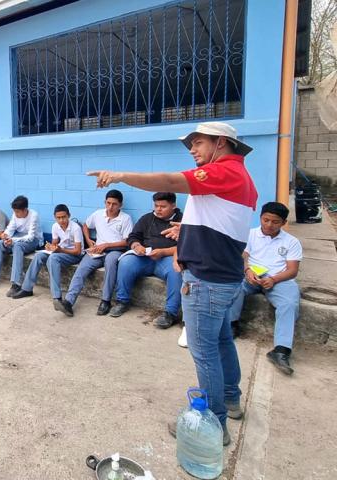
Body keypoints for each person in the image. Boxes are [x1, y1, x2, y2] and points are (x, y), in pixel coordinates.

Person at [87, 121, 258, 445]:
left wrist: (120, 175)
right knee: (221, 341)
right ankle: (231, 399)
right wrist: (188, 231)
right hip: (222, 276)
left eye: (198, 142)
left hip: (206, 279)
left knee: (204, 351)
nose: (192, 149)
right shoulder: (242, 178)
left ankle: (213, 427)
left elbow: (171, 180)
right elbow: (223, 223)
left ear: (221, 143)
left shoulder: (224, 171)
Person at [229, 202, 302, 375]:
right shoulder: (249, 234)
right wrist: (247, 270)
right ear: (260, 218)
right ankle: (232, 325)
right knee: (232, 287)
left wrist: (274, 279)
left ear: (283, 223)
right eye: (265, 220)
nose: (269, 225)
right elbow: (243, 256)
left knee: (289, 304)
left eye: (275, 222)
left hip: (279, 279)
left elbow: (292, 270)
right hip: (251, 276)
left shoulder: (291, 242)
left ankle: (281, 351)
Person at [110, 192, 183, 329]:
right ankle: (122, 301)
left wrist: (163, 252)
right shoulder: (147, 219)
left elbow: (185, 246)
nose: (158, 209)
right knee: (126, 263)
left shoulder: (182, 221)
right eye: (156, 206)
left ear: (173, 206)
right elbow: (133, 236)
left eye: (163, 206)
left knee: (176, 270)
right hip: (145, 257)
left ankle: (170, 313)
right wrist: (136, 246)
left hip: (166, 258)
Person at [63, 190, 133, 316]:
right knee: (82, 268)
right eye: (108, 203)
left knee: (111, 263)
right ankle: (69, 301)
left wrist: (106, 245)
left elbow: (127, 242)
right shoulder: (98, 214)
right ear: (105, 202)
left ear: (120, 205)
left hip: (115, 250)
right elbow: (85, 225)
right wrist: (89, 240)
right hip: (97, 250)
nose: (110, 207)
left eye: (114, 204)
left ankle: (105, 301)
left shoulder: (125, 218)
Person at [11, 204, 83, 314]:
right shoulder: (55, 226)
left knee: (53, 258)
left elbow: (78, 251)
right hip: (60, 251)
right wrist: (50, 246)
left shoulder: (75, 228)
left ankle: (57, 298)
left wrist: (60, 250)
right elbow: (55, 242)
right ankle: (27, 289)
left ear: (69, 215)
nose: (61, 220)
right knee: (39, 256)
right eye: (58, 218)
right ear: (55, 217)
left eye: (64, 217)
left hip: (74, 255)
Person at [0, 195, 43, 295]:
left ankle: (16, 283)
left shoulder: (34, 215)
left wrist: (13, 240)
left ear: (25, 209)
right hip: (17, 238)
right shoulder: (15, 214)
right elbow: (11, 228)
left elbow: (30, 237)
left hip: (34, 240)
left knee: (17, 246)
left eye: (17, 212)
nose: (15, 214)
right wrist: (5, 236)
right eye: (14, 211)